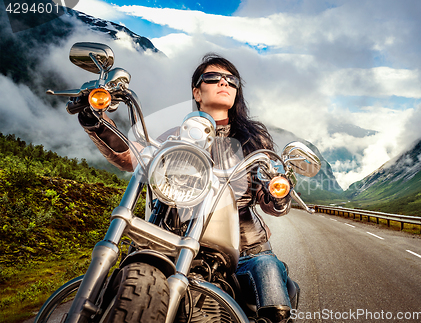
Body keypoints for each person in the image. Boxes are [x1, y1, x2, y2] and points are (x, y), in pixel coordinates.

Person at [78, 53, 293, 322]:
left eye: (231, 80)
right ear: (197, 92)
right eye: (213, 78)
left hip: (245, 250)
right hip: (174, 240)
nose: (223, 83)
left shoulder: (253, 140)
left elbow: (268, 192)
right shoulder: (175, 136)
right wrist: (96, 123)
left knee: (268, 272)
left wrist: (277, 193)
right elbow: (134, 156)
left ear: (237, 92)